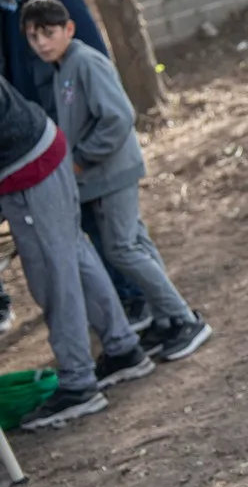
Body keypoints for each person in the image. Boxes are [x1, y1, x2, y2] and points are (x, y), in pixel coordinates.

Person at [21, 0, 212, 362]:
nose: (41, 42)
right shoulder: (62, 67)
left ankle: (187, 320)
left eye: (48, 33)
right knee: (135, 243)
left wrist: (81, 159)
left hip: (112, 172)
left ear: (69, 29)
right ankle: (167, 318)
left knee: (123, 248)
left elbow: (118, 116)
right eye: (33, 36)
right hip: (101, 176)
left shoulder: (85, 62)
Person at [0, 0, 149, 328]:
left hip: (78, 135)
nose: (39, 41)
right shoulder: (5, 9)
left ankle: (141, 303)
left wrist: (82, 147)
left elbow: (93, 67)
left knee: (114, 233)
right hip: (38, 137)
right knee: (88, 226)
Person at [0, 73, 155, 429]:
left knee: (53, 274)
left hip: (29, 168)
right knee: (73, 255)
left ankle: (78, 383)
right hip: (42, 150)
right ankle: (123, 348)